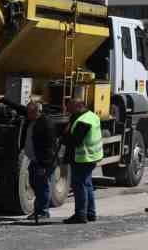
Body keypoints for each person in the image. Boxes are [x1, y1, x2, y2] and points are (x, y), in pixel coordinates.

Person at [63, 96, 103, 224]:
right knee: (87, 184)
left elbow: (76, 141)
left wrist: (63, 138)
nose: (67, 108)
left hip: (83, 158)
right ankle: (90, 213)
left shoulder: (83, 121)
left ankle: (80, 214)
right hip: (92, 156)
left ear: (79, 106)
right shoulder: (91, 115)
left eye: (70, 106)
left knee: (79, 185)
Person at [25, 99, 57, 224]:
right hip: (35, 160)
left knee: (42, 186)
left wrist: (44, 164)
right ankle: (39, 210)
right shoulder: (35, 120)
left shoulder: (45, 124)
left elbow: (48, 147)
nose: (27, 114)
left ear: (36, 112)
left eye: (29, 112)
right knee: (35, 184)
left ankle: (43, 212)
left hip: (43, 161)